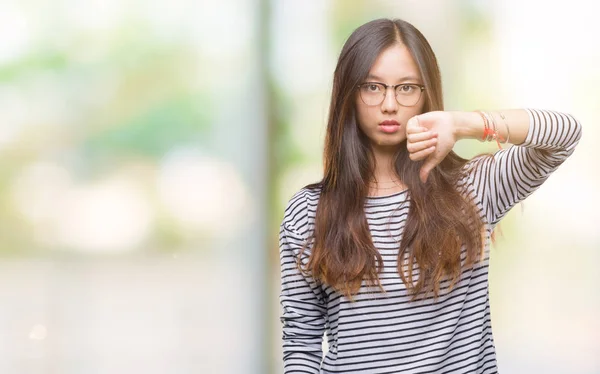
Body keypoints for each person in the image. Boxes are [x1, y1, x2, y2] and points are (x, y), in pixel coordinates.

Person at [278, 18, 582, 374]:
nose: (389, 104)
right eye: (372, 87)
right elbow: (301, 340)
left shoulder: (473, 187)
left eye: (406, 88)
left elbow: (564, 134)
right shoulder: (309, 211)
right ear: (349, 93)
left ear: (427, 95)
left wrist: (464, 124)